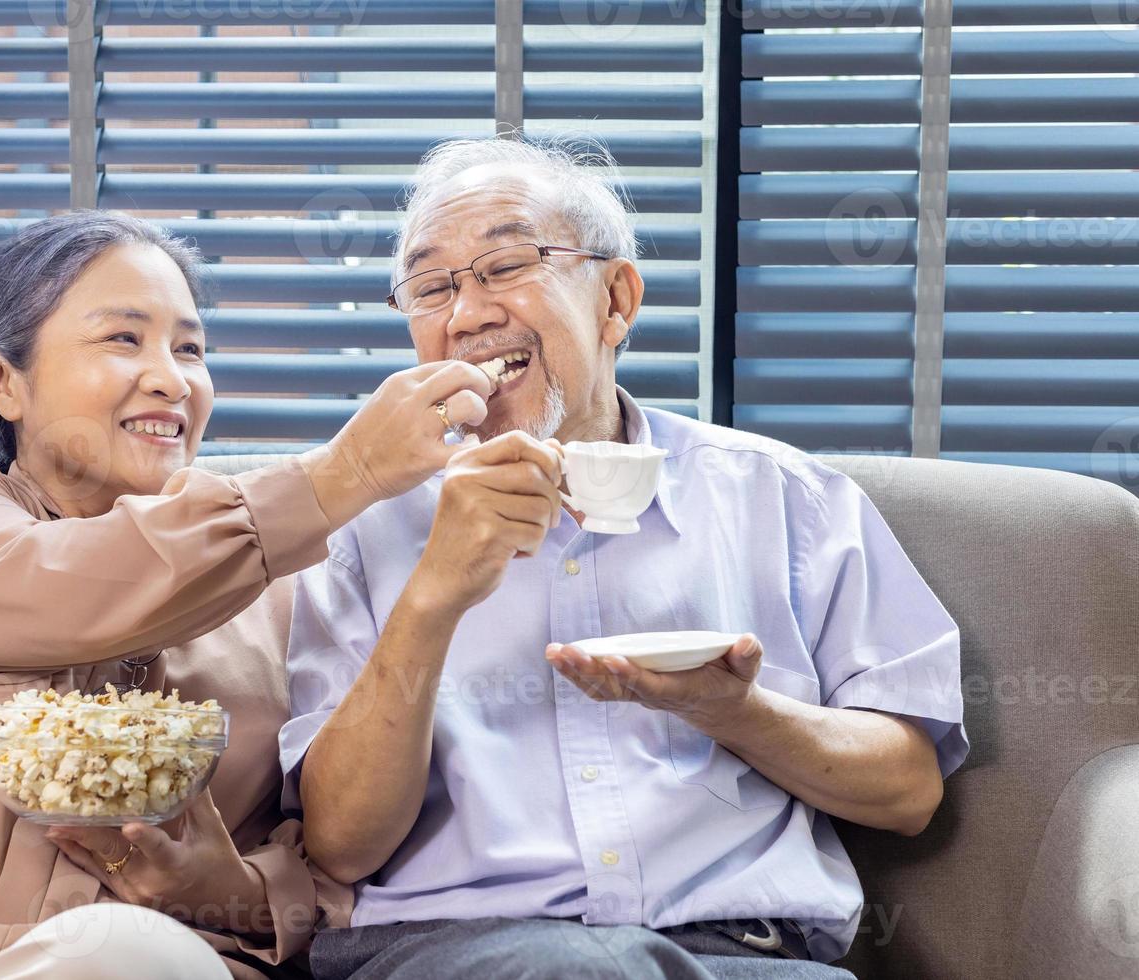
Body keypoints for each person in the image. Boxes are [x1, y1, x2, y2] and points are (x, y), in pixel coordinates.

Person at [0, 210, 495, 980]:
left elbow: (328, 877)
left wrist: (226, 890)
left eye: (190, 348)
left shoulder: (283, 596)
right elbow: (60, 589)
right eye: (124, 339)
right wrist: (345, 475)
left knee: (132, 953)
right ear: (5, 381)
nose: (171, 377)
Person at [282, 137, 969, 979]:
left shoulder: (787, 499)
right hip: (461, 951)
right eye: (431, 287)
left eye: (504, 266)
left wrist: (734, 712)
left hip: (748, 957)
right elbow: (341, 846)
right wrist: (432, 598)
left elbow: (908, 793)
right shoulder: (361, 527)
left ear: (616, 299)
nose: (465, 315)